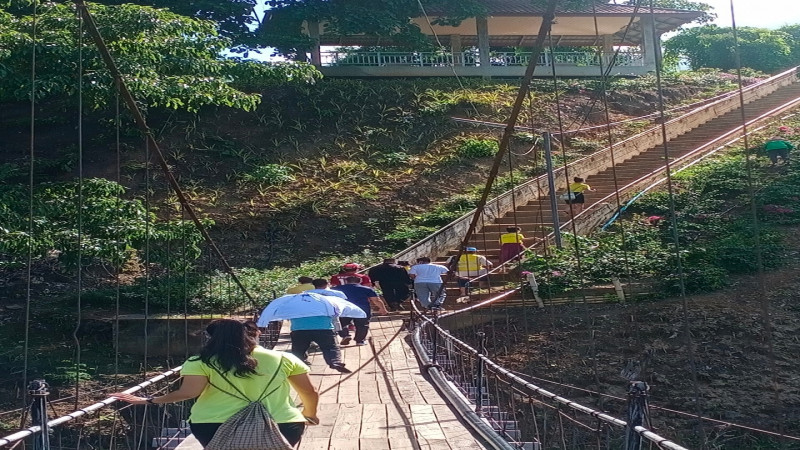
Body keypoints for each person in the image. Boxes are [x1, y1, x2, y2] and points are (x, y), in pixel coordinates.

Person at [112, 319, 319, 448]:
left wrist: (149, 400)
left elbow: (188, 393)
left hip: (213, 424)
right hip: (282, 422)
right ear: (250, 334)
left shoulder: (199, 362)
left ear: (209, 337)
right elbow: (309, 392)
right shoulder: (284, 359)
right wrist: (309, 414)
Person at [283, 296, 351, 374]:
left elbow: (287, 316)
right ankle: (335, 362)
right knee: (330, 347)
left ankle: (299, 365)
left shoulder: (294, 305)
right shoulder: (325, 304)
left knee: (299, 349)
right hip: (324, 328)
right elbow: (334, 314)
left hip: (299, 329)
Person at [333, 276, 388, 346]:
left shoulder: (336, 289)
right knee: (362, 325)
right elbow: (376, 300)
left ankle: (345, 335)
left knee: (342, 324)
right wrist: (382, 308)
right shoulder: (366, 289)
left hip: (344, 309)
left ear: (346, 281)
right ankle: (360, 341)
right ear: (360, 281)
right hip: (362, 309)